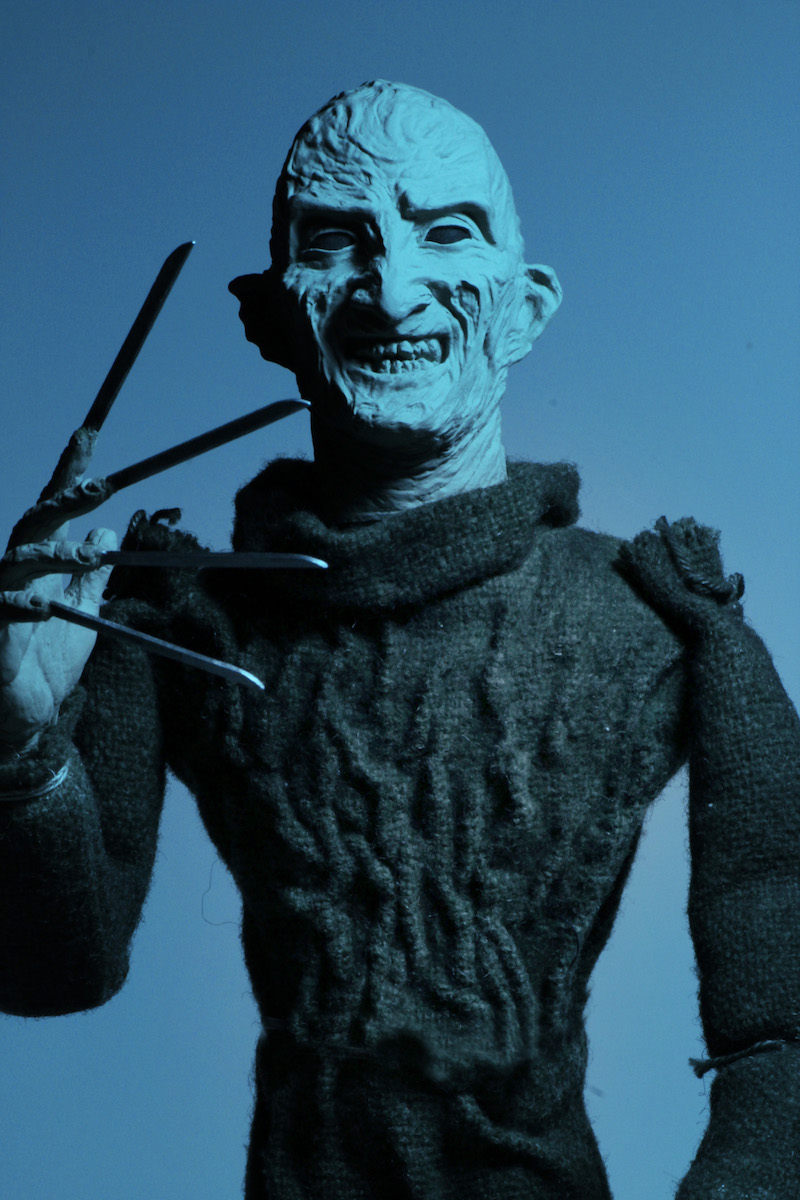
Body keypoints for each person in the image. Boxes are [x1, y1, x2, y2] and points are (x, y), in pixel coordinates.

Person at [0, 80, 798, 1200]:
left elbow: (782, 1011)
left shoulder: (658, 620)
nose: (391, 289)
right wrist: (15, 749)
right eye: (335, 241)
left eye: (447, 233)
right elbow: (53, 970)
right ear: (269, 315)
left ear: (525, 305)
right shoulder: (177, 619)